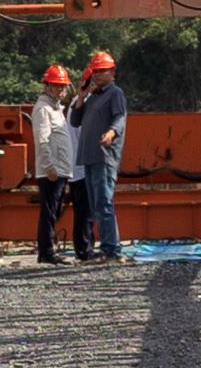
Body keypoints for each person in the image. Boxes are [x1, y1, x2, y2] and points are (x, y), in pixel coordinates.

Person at [71, 52, 130, 261]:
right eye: (95, 71)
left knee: (104, 202)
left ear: (112, 72)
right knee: (97, 205)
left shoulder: (115, 94)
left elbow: (120, 117)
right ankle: (106, 247)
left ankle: (112, 249)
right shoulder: (93, 97)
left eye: (102, 70)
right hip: (89, 156)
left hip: (104, 157)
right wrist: (81, 96)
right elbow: (75, 121)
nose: (97, 74)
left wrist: (111, 133)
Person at [26, 61, 84, 262]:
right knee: (49, 211)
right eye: (56, 85)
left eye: (62, 86)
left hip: (59, 170)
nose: (60, 90)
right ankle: (46, 252)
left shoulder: (55, 109)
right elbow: (42, 140)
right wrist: (49, 167)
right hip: (52, 171)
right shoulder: (43, 109)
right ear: (47, 86)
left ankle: (48, 250)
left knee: (54, 210)